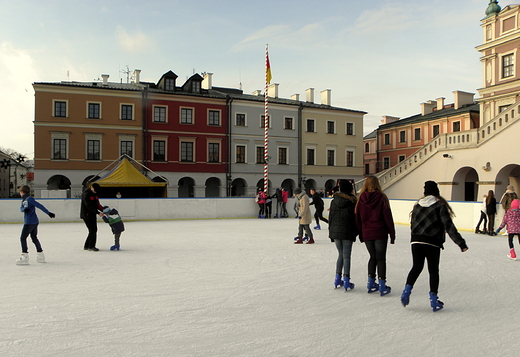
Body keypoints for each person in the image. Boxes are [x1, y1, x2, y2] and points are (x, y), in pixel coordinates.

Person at [400, 181, 468, 312]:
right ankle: (434, 299)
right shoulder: (439, 205)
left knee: (416, 267)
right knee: (433, 270)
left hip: (416, 241)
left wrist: (415, 238)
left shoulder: (417, 205)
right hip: (432, 242)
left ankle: (406, 291)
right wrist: (461, 243)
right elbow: (448, 226)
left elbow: (412, 224)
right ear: (437, 192)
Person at [355, 175, 395, 296]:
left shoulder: (361, 199)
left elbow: (358, 219)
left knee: (373, 257)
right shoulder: (382, 198)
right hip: (380, 232)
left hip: (367, 232)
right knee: (381, 258)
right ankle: (382, 284)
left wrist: (360, 233)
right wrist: (392, 234)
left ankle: (371, 282)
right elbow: (387, 216)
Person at [329, 179, 358, 291]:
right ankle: (346, 279)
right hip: (347, 231)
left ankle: (337, 278)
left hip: (335, 231)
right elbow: (354, 218)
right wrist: (356, 232)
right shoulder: (352, 201)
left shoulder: (334, 201)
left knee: (340, 255)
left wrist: (331, 233)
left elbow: (331, 218)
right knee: (346, 256)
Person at [16, 185, 55, 265]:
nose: (20, 194)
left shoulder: (29, 199)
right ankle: (40, 255)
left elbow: (39, 205)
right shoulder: (24, 200)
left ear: (22, 192)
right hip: (33, 222)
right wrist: (24, 209)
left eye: (20, 192)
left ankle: (24, 256)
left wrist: (48, 213)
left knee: (23, 238)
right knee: (34, 237)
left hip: (29, 222)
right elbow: (21, 209)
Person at [80, 183, 105, 251]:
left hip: (92, 214)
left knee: (92, 230)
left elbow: (97, 204)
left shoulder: (95, 194)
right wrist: (98, 212)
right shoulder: (86, 194)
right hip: (87, 215)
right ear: (91, 187)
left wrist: (103, 209)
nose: (95, 192)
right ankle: (91, 246)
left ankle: (87, 245)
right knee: (93, 230)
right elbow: (89, 206)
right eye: (95, 190)